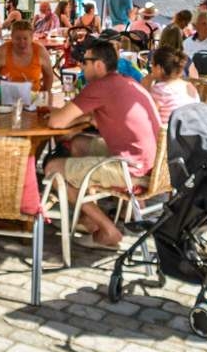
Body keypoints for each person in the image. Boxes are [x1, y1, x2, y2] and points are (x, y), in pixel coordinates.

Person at [46, 40, 162, 248]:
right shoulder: (126, 81)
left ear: (98, 65)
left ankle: (107, 230)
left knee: (52, 169)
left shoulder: (99, 86)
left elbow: (56, 122)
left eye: (85, 62)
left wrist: (64, 115)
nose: (82, 66)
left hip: (130, 170)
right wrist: (85, 119)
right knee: (77, 144)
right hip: (151, 164)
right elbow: (99, 119)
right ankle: (88, 215)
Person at [0, 19, 57, 92]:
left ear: (31, 37)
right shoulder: (2, 52)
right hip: (6, 99)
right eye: (17, 38)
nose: (22, 42)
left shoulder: (40, 51)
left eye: (25, 38)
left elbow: (49, 76)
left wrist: (44, 94)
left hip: (33, 98)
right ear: (11, 37)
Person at [144, 46, 202, 119]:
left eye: (152, 64)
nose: (151, 68)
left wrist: (145, 89)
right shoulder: (189, 85)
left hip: (167, 129)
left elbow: (147, 115)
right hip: (190, 127)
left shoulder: (160, 89)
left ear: (158, 68)